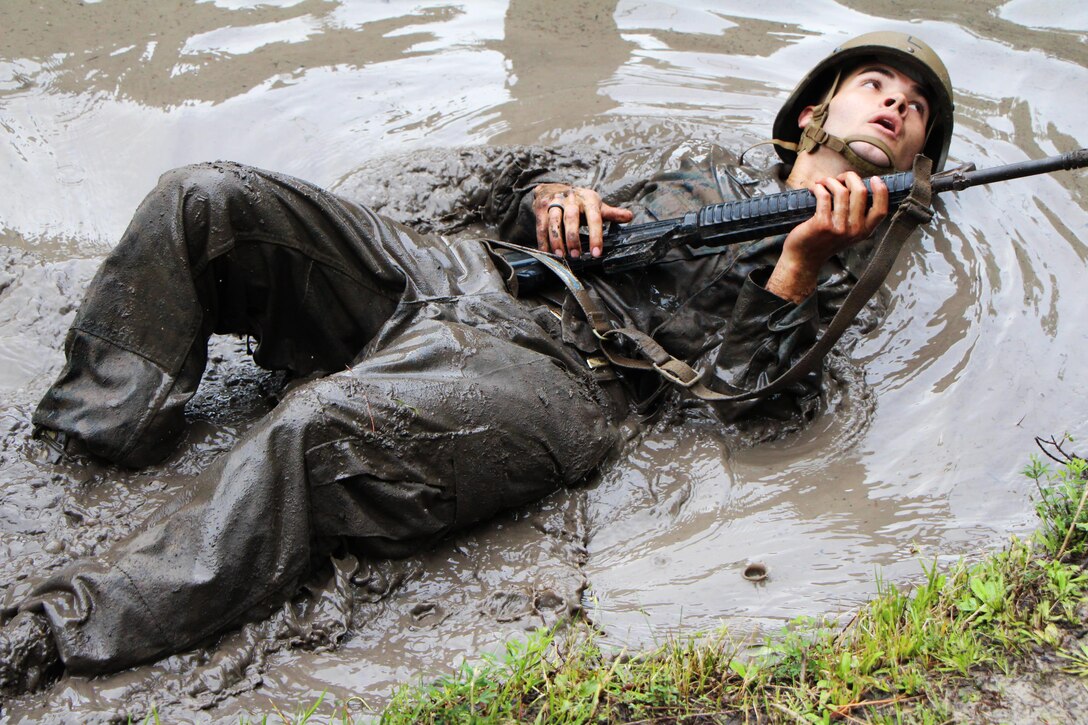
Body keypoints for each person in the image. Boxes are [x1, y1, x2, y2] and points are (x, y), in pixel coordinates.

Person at [0, 32, 953, 695]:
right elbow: (517, 204)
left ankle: (60, 626)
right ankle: (93, 439)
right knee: (206, 196)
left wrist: (798, 266)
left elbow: (750, 410)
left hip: (572, 376)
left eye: (914, 111)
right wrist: (556, 199)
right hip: (464, 271)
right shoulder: (695, 169)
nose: (896, 105)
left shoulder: (857, 272)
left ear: (917, 161)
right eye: (880, 86)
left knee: (320, 427)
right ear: (820, 106)